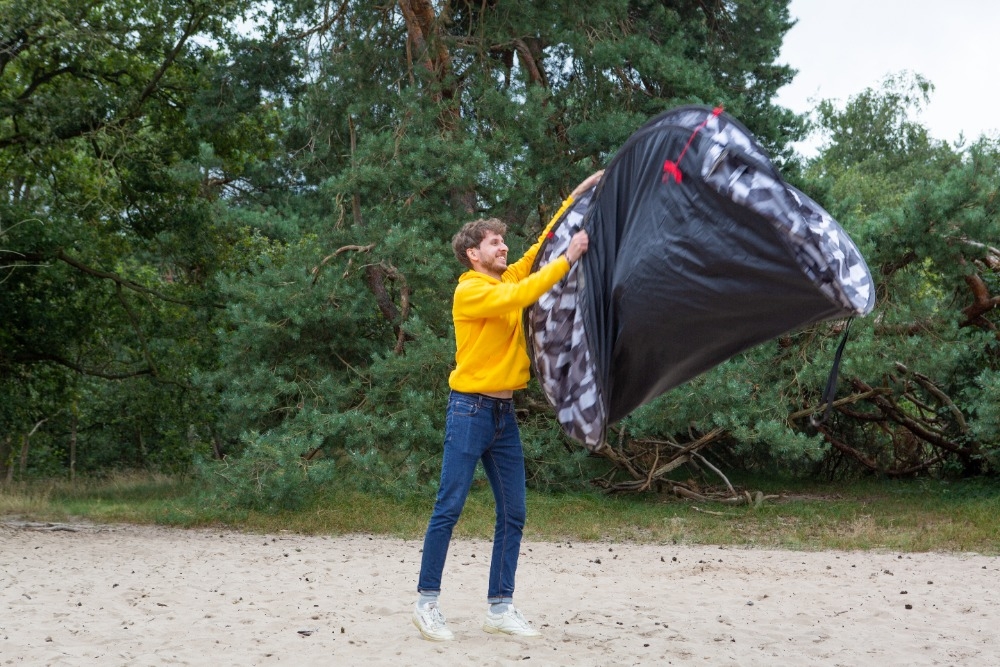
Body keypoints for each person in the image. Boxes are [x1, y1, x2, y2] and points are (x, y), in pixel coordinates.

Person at [412, 170, 604, 641]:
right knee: (448, 507)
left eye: (502, 242)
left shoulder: (502, 277)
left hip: (502, 415)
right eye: (494, 243)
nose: (503, 248)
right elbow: (521, 293)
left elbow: (537, 249)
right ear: (472, 253)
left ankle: (499, 607)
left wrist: (574, 195)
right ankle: (427, 603)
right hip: (469, 411)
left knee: (514, 512)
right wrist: (570, 258)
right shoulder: (471, 289)